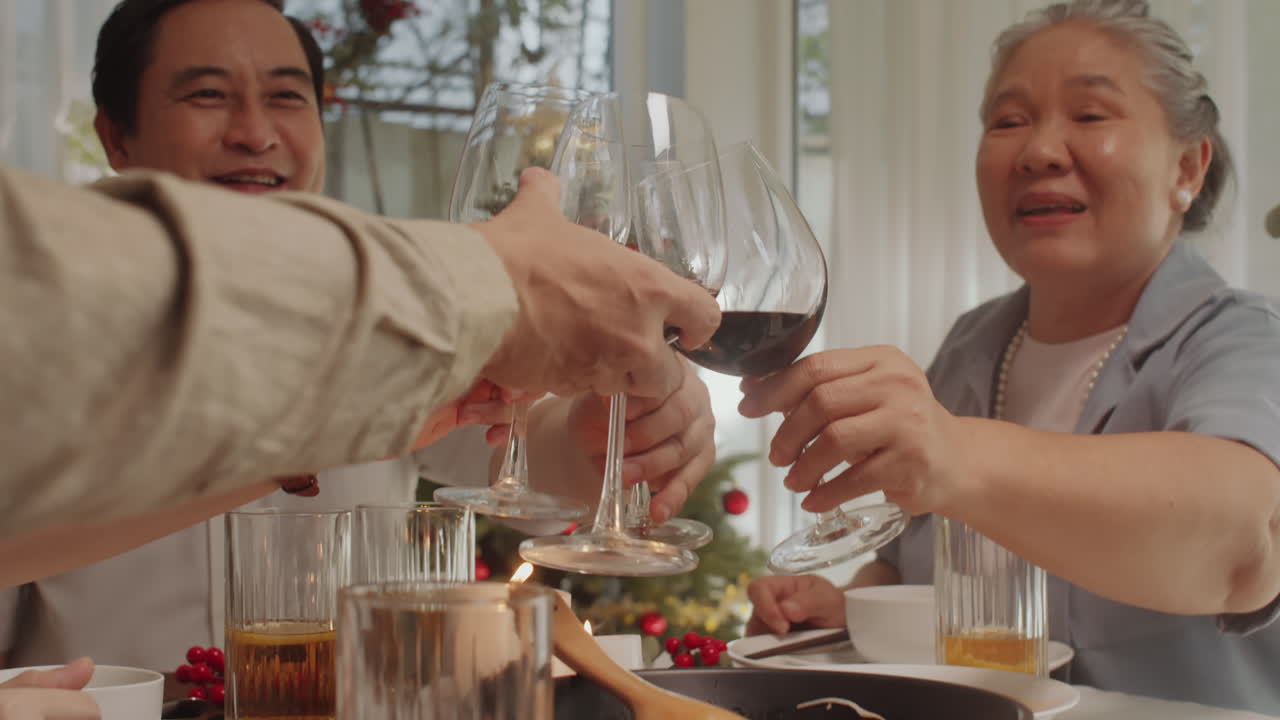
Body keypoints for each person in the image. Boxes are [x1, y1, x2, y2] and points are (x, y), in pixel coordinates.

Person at [0, 0, 718, 672]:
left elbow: (523, 446)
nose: (255, 132)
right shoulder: (52, 311)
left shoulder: (399, 302)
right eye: (208, 96)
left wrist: (610, 441)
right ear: (115, 136)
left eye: (286, 96)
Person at [742, 0, 1280, 712]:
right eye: (1008, 121)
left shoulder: (1242, 339)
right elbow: (911, 564)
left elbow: (1243, 541)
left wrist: (957, 454)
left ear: (1187, 166)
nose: (1039, 152)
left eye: (1089, 116)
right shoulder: (974, 346)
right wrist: (849, 609)